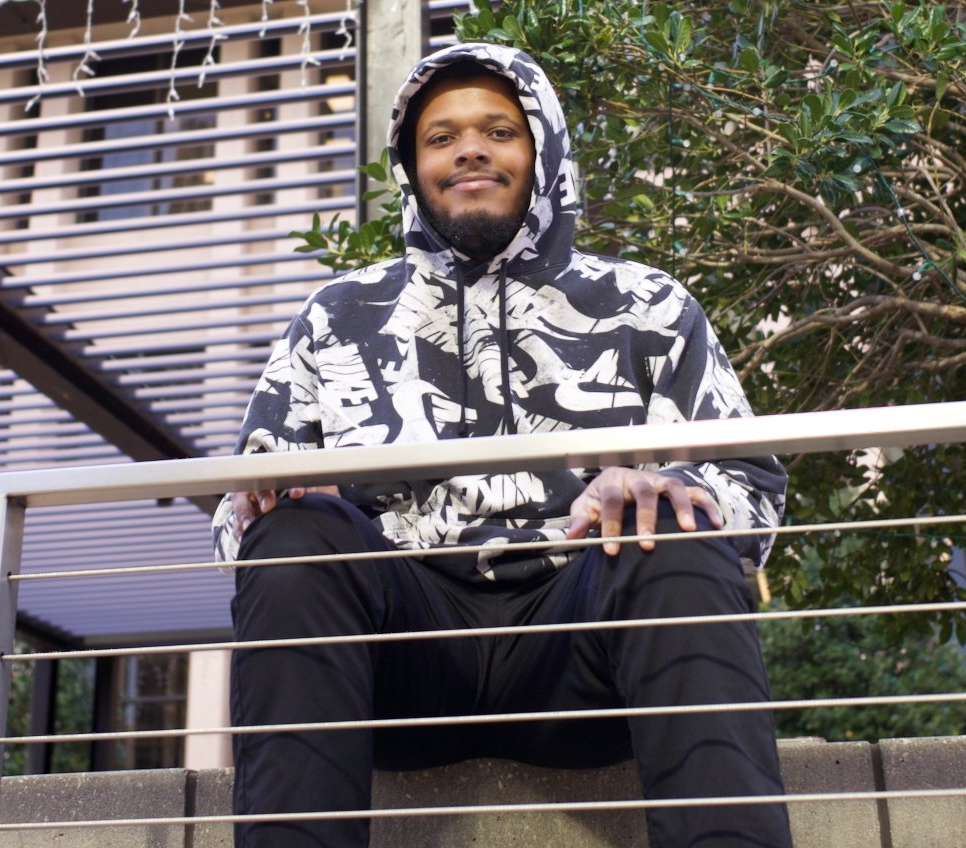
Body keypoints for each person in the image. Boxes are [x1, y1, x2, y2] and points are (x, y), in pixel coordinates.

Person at [211, 42, 792, 848]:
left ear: (543, 150)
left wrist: (674, 485)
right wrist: (274, 507)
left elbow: (753, 489)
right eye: (441, 138)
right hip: (402, 662)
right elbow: (237, 519)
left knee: (676, 525)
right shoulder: (335, 317)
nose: (470, 149)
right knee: (296, 532)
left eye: (497, 130)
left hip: (585, 656)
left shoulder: (648, 304)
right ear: (413, 169)